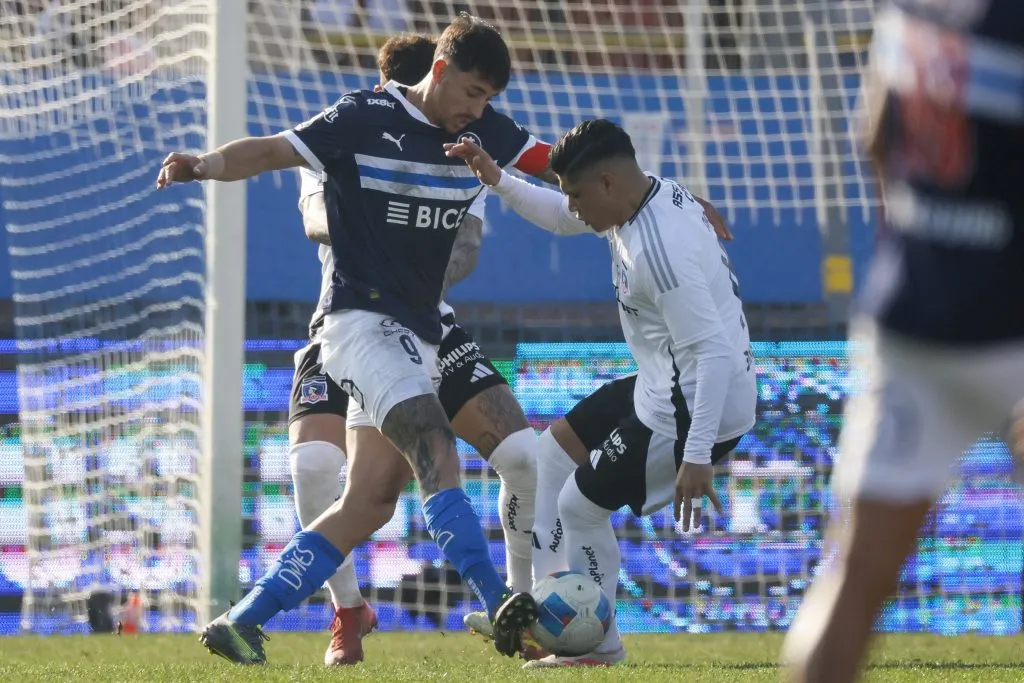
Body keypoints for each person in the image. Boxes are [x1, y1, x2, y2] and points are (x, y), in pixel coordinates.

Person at [157, 13, 543, 663]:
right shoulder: (361, 117)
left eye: (488, 99)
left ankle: (243, 619)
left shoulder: (481, 133)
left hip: (420, 333)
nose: (478, 109)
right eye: (473, 92)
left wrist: (645, 195)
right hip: (358, 326)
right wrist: (205, 163)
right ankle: (499, 596)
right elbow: (273, 150)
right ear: (440, 70)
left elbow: (552, 162)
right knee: (433, 446)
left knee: (368, 501)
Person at [444, 119, 757, 667]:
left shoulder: (658, 251)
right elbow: (560, 216)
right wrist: (498, 179)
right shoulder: (639, 197)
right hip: (664, 381)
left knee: (580, 508)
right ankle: (540, 612)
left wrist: (697, 453)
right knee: (549, 456)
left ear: (608, 182)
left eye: (577, 195)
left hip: (692, 406)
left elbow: (713, 355)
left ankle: (597, 645)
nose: (573, 208)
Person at [780, 2, 1024, 681]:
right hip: (1009, 327)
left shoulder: (912, 9)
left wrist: (922, 249)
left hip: (912, 321)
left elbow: (874, 132)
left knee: (854, 578)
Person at [289, 33, 538, 666]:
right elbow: (315, 220)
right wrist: (379, 227)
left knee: (522, 456)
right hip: (343, 322)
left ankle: (520, 603)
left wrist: (411, 282)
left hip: (427, 326)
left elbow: (467, 248)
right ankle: (348, 608)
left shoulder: (461, 146)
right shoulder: (344, 130)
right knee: (314, 468)